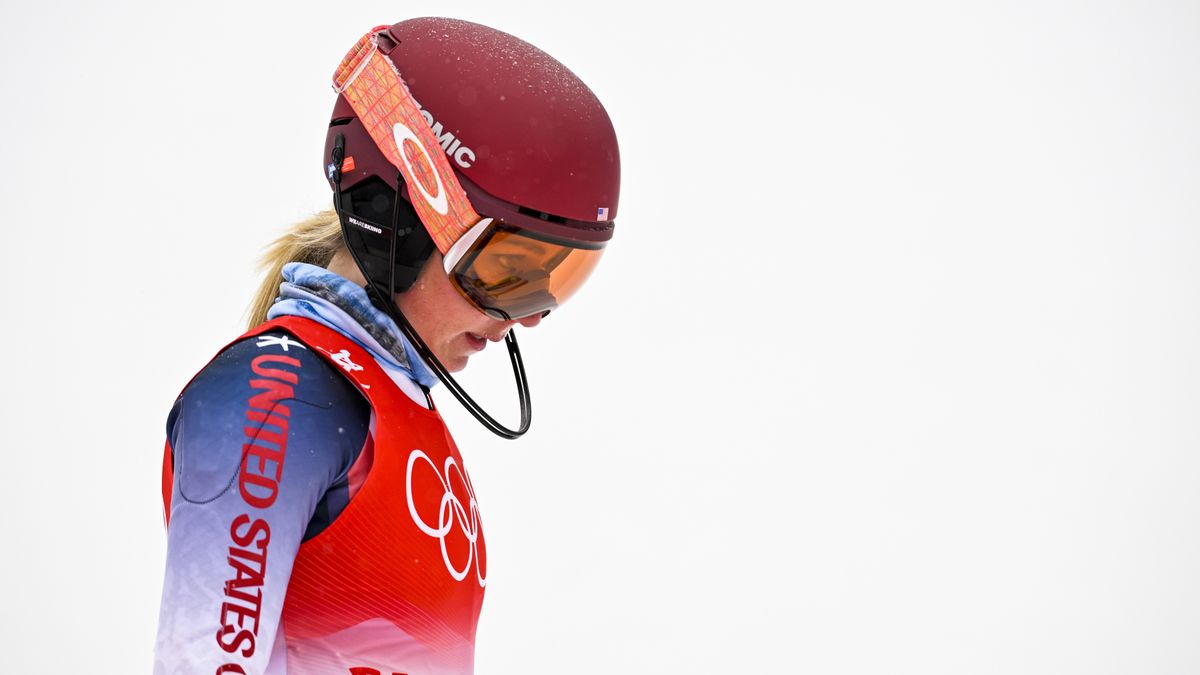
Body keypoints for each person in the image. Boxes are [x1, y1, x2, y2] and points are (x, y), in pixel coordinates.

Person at [154, 17, 620, 674]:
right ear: (396, 226)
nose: (527, 316)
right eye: (503, 271)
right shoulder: (277, 396)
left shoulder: (394, 406)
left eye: (552, 279)